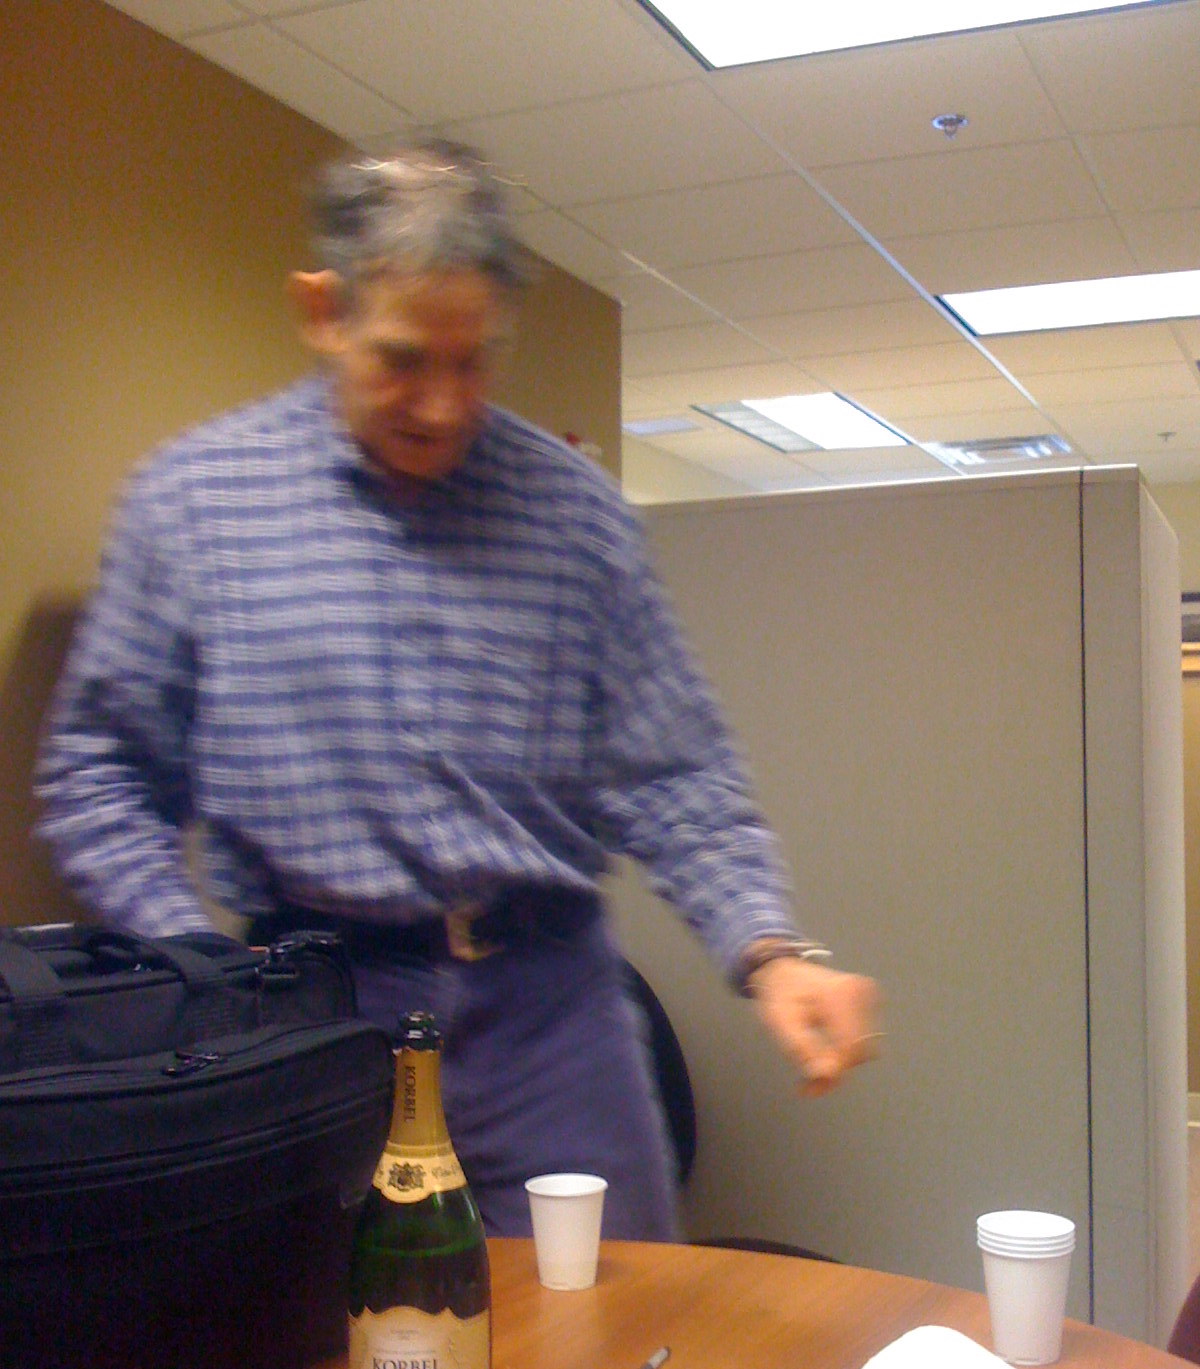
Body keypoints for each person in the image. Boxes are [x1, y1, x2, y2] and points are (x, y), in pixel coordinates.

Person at [35, 139, 880, 1241]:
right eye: (402, 359)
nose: (439, 407)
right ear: (322, 310)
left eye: (472, 362)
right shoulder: (193, 504)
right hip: (315, 1013)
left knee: (611, 1325)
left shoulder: (573, 512)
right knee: (330, 1334)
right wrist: (203, 971)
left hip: (553, 1018)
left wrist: (770, 953)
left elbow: (673, 770)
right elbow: (100, 776)